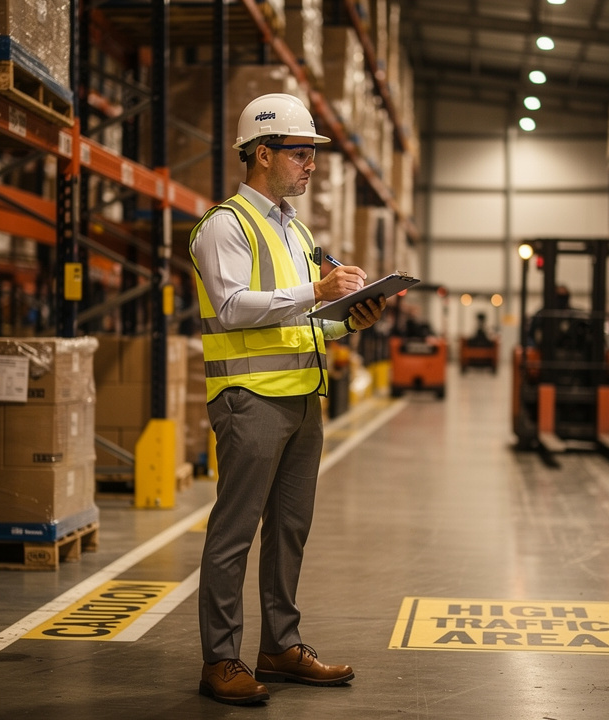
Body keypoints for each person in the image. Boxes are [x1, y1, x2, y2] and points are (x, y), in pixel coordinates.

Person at [188, 92, 387, 706]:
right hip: (248, 401)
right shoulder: (225, 225)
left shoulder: (295, 230)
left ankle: (280, 645)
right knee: (235, 532)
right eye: (301, 154)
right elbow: (231, 307)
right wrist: (318, 288)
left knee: (290, 531)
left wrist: (349, 320)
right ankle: (222, 658)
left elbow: (303, 321)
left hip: (303, 400)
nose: (312, 166)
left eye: (312, 156)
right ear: (263, 153)